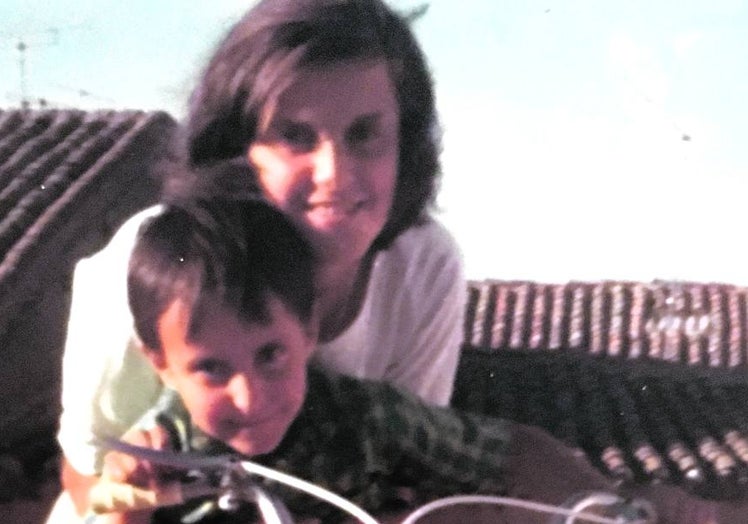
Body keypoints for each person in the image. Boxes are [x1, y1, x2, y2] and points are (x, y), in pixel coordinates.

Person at [91, 193, 744, 524]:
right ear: (159, 364)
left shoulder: (364, 419)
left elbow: (504, 451)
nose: (251, 394)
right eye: (212, 368)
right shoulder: (150, 459)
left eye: (271, 356)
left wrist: (613, 505)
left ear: (312, 332)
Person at [58, 0, 466, 514]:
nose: (334, 174)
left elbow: (409, 465)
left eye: (364, 134)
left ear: (405, 142)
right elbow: (88, 468)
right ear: (237, 149)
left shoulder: (426, 270)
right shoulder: (152, 267)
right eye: (295, 136)